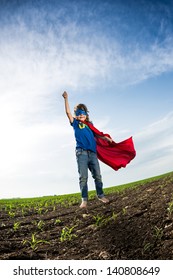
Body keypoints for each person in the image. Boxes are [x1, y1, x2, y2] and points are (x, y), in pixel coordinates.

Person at [62, 91, 111, 208]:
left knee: (97, 176)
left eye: (82, 114)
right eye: (78, 114)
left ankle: (101, 195)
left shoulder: (90, 125)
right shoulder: (75, 123)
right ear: (76, 115)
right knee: (83, 177)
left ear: (86, 114)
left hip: (92, 153)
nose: (80, 116)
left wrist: (106, 138)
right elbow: (68, 112)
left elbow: (97, 134)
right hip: (81, 153)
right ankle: (84, 200)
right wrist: (66, 99)